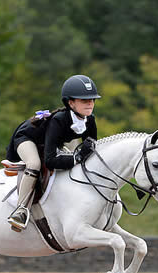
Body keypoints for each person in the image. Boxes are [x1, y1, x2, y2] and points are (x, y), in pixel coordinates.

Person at [6, 74, 101, 231]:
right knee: (34, 163)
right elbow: (50, 160)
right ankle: (20, 210)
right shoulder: (59, 120)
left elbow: (91, 147)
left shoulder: (90, 120)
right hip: (27, 139)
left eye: (92, 100)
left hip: (50, 143)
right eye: (84, 100)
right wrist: (76, 157)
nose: (90, 103)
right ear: (71, 103)